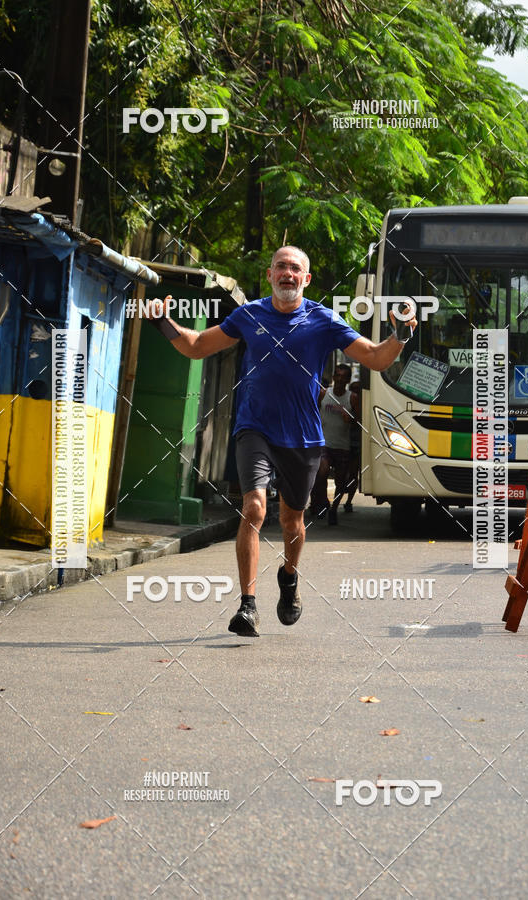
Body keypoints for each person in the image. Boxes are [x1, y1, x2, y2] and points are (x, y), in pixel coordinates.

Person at [145, 245, 417, 637]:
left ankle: (289, 576)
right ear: (270, 275)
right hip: (254, 428)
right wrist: (163, 322)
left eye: (295, 268)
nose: (287, 273)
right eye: (281, 267)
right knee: (254, 508)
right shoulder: (249, 315)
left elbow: (375, 358)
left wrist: (401, 335)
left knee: (292, 520)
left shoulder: (323, 320)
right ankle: (248, 605)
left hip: (303, 437)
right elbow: (197, 346)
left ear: (306, 278)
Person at [310, 363, 354, 525]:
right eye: (338, 376)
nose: (340, 379)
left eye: (344, 377)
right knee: (321, 473)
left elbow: (361, 421)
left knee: (340, 482)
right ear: (334, 377)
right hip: (324, 443)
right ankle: (324, 502)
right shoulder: (323, 393)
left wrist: (351, 419)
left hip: (343, 446)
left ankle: (334, 509)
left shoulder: (352, 398)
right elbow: (312, 413)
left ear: (348, 380)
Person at [344, 379, 362, 513]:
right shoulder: (347, 402)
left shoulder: (364, 406)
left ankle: (349, 501)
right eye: (353, 390)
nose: (355, 393)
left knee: (353, 474)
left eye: (357, 390)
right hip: (342, 443)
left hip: (356, 444)